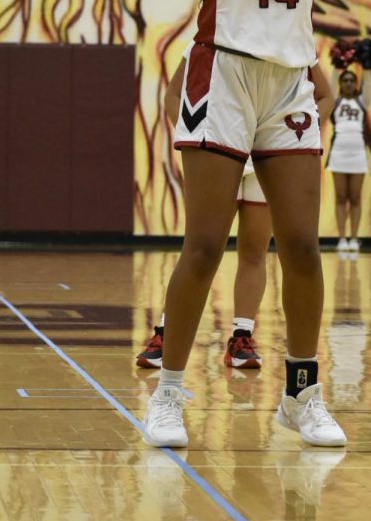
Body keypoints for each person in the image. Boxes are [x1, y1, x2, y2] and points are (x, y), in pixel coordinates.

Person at [141, 0, 348, 449]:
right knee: (202, 245)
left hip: (288, 81)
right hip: (221, 75)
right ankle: (168, 395)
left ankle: (301, 393)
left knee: (302, 247)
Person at [136, 57, 334, 369]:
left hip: (266, 158)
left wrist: (301, 128)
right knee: (201, 249)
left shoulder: (290, 42)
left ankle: (241, 337)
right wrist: (192, 132)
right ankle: (166, 332)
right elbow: (173, 94)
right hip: (220, 149)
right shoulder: (218, 32)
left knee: (255, 250)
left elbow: (326, 95)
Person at [325, 67, 371, 252]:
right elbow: (328, 88)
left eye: (351, 80)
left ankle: (354, 238)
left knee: (355, 197)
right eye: (344, 80)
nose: (348, 83)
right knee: (341, 197)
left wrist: (368, 67)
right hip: (338, 153)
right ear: (340, 84)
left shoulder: (362, 102)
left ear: (356, 84)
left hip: (358, 154)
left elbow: (368, 87)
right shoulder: (335, 102)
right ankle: (342, 238)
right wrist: (337, 66)